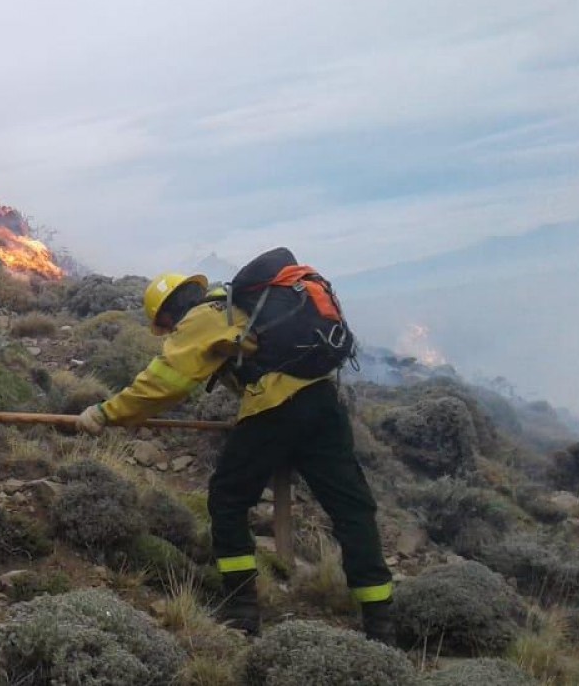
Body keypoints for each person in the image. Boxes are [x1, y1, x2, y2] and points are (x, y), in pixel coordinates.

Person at [75, 273, 395, 644]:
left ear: (169, 311)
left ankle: (241, 610)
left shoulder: (202, 317)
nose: (167, 331)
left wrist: (105, 412)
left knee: (227, 500)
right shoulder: (238, 305)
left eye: (163, 325)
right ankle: (381, 623)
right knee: (351, 509)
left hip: (274, 407)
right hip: (324, 402)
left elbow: (166, 382)